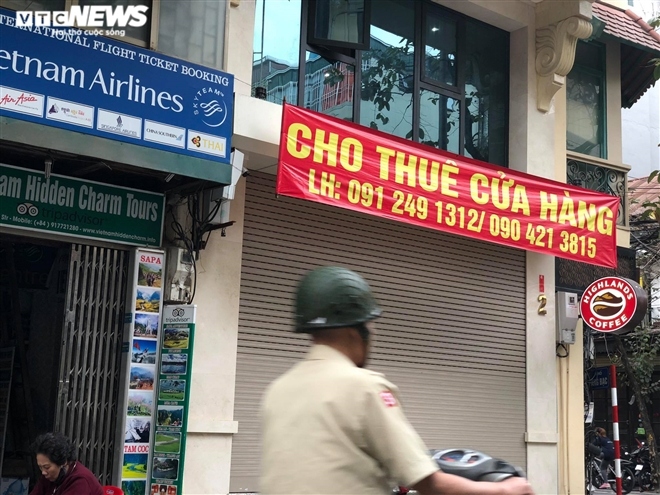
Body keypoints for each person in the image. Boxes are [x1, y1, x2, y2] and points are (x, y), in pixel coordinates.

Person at [260, 266, 536, 495]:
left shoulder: (277, 390)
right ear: (357, 331)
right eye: (371, 325)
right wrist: (506, 490)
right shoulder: (364, 387)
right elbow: (427, 482)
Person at [29, 432, 104, 495]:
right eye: (40, 467)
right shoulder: (48, 477)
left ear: (63, 462)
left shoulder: (80, 481)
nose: (43, 472)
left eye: (47, 467)